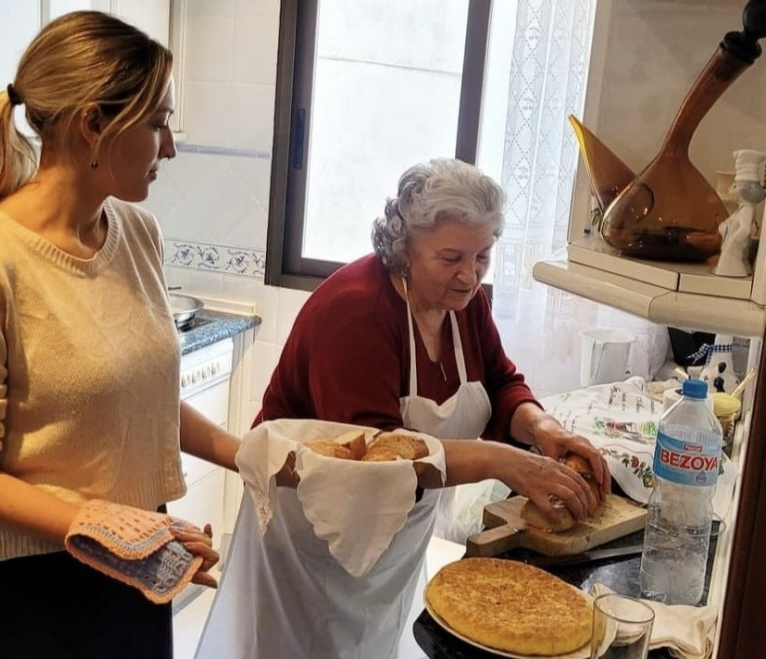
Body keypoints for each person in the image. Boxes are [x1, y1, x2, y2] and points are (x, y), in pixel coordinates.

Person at [0, 12, 243, 659]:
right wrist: (107, 524)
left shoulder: (136, 235)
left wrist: (248, 455)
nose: (169, 146)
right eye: (158, 123)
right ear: (94, 123)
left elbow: (134, 403)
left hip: (134, 569)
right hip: (38, 595)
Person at [197, 158, 612, 659]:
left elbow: (500, 383)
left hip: (394, 530)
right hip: (313, 533)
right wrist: (507, 462)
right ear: (405, 250)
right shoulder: (357, 314)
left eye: (483, 256)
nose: (469, 275)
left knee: (374, 642)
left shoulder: (464, 305)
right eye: (451, 257)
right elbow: (378, 460)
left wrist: (541, 428)